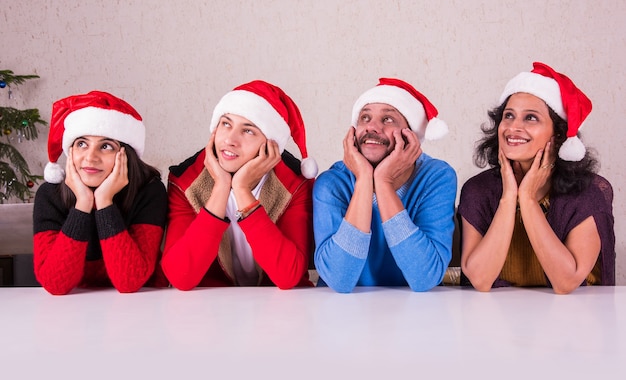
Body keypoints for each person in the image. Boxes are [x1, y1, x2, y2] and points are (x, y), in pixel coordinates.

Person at [458, 62, 615, 294]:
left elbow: (566, 282)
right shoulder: (477, 190)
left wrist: (528, 199)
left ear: (558, 134)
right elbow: (480, 279)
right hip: (498, 316)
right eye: (508, 116)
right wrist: (510, 196)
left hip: (577, 318)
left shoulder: (589, 192)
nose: (513, 127)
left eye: (531, 118)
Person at [160, 80, 318, 290]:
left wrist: (242, 191)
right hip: (210, 307)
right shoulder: (186, 181)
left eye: (248, 131)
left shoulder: (295, 184)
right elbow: (181, 277)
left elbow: (288, 276)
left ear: (271, 145)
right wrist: (221, 188)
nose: (230, 140)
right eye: (226, 124)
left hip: (277, 310)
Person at [313, 78, 457, 293]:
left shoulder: (436, 177)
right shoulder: (332, 183)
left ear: (411, 136)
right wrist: (363, 180)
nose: (372, 127)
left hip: (418, 313)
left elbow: (425, 277)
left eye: (388, 119)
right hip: (343, 314)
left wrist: (383, 182)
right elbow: (339, 280)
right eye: (365, 118)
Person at [33, 91, 168, 295]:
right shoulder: (50, 195)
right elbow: (55, 284)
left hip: (141, 309)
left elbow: (130, 281)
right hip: (73, 311)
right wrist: (82, 205)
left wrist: (104, 202)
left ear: (126, 155)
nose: (91, 157)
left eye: (105, 146)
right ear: (71, 152)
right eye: (81, 144)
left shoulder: (149, 191)